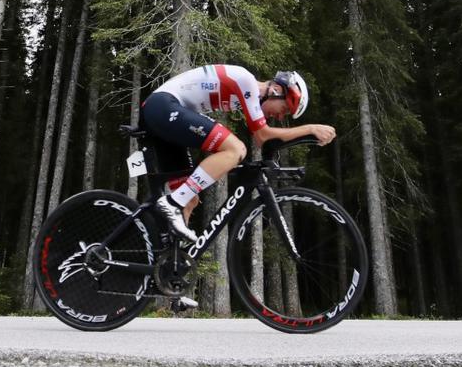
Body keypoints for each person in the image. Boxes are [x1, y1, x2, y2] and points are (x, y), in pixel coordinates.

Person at [140, 65, 335, 242]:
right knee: (236, 149)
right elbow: (262, 135)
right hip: (163, 106)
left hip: (164, 114)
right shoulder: (246, 81)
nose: (281, 116)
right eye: (284, 109)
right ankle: (173, 202)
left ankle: (166, 266)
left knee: (189, 200)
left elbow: (262, 138)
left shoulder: (249, 95)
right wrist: (309, 128)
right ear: (276, 91)